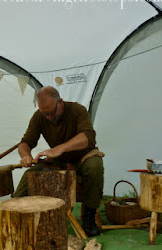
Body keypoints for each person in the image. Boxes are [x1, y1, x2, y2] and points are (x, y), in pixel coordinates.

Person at [12, 86, 104, 237]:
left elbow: (88, 137)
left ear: (60, 101)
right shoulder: (40, 116)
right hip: (59, 161)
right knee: (32, 173)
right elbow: (25, 143)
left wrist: (60, 148)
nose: (48, 117)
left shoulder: (77, 110)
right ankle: (10, 216)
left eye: (51, 113)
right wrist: (25, 155)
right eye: (44, 114)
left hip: (83, 157)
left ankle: (89, 218)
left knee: (95, 166)